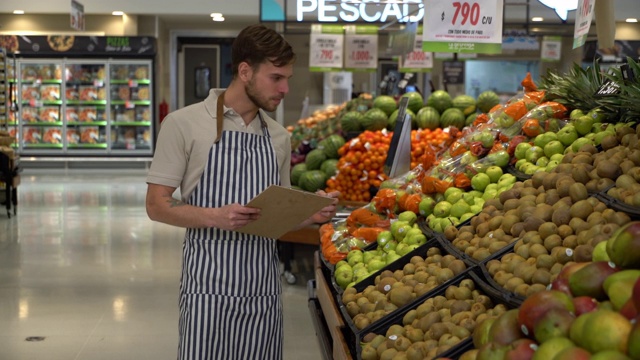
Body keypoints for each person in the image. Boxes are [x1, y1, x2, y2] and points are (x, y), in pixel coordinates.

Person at [145, 24, 340, 360]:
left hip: (263, 287)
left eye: (288, 78)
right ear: (245, 71)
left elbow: (277, 215)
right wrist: (214, 216)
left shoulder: (278, 137)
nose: (285, 88)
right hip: (208, 287)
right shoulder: (183, 124)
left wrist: (310, 214)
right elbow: (156, 205)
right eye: (276, 78)